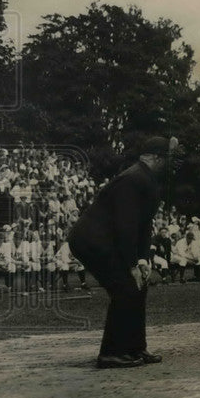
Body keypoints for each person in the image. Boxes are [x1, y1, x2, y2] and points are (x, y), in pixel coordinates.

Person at [67, 136, 182, 369]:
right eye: (169, 158)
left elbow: (143, 226)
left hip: (105, 241)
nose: (173, 162)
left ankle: (134, 347)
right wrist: (131, 264)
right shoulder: (133, 179)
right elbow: (125, 225)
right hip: (92, 240)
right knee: (126, 287)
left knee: (138, 285)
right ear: (156, 158)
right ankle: (111, 353)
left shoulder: (146, 179)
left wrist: (142, 260)